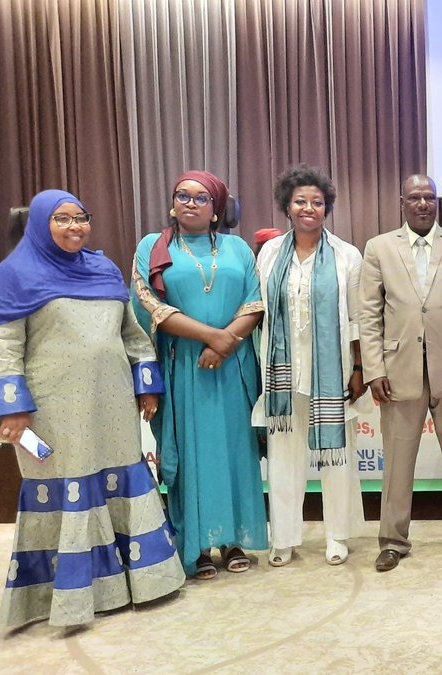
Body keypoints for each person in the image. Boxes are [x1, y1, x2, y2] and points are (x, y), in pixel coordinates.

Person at [0, 189, 184, 628]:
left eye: (81, 218)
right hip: (52, 410)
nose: (75, 227)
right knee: (67, 485)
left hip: (112, 404)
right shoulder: (13, 275)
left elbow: (131, 333)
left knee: (121, 478)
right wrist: (14, 410)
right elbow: (4, 347)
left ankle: (141, 584)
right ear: (39, 224)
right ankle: (71, 596)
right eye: (62, 219)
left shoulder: (103, 269)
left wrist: (146, 384)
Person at [131, 170, 268, 579]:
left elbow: (255, 301)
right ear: (173, 204)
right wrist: (213, 337)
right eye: (183, 196)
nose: (190, 203)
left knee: (235, 452)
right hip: (182, 367)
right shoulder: (151, 247)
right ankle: (197, 545)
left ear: (216, 210)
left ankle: (233, 539)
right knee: (191, 454)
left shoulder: (238, 248)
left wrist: (226, 343)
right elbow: (148, 303)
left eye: (201, 197)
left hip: (233, 367)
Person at [360, 173, 442, 571]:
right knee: (398, 462)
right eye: (414, 197)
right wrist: (373, 369)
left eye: (429, 197)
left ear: (437, 203)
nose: (422, 203)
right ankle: (392, 541)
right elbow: (369, 315)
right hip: (398, 370)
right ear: (402, 202)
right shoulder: (379, 247)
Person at [257, 165, 368, 567]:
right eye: (300, 201)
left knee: (336, 456)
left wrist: (358, 369)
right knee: (283, 460)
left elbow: (357, 318)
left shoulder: (346, 255)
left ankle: (336, 535)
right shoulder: (270, 253)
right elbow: (260, 312)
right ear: (287, 206)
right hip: (283, 376)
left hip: (332, 373)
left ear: (327, 208)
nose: (309, 208)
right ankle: (284, 539)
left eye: (317, 202)